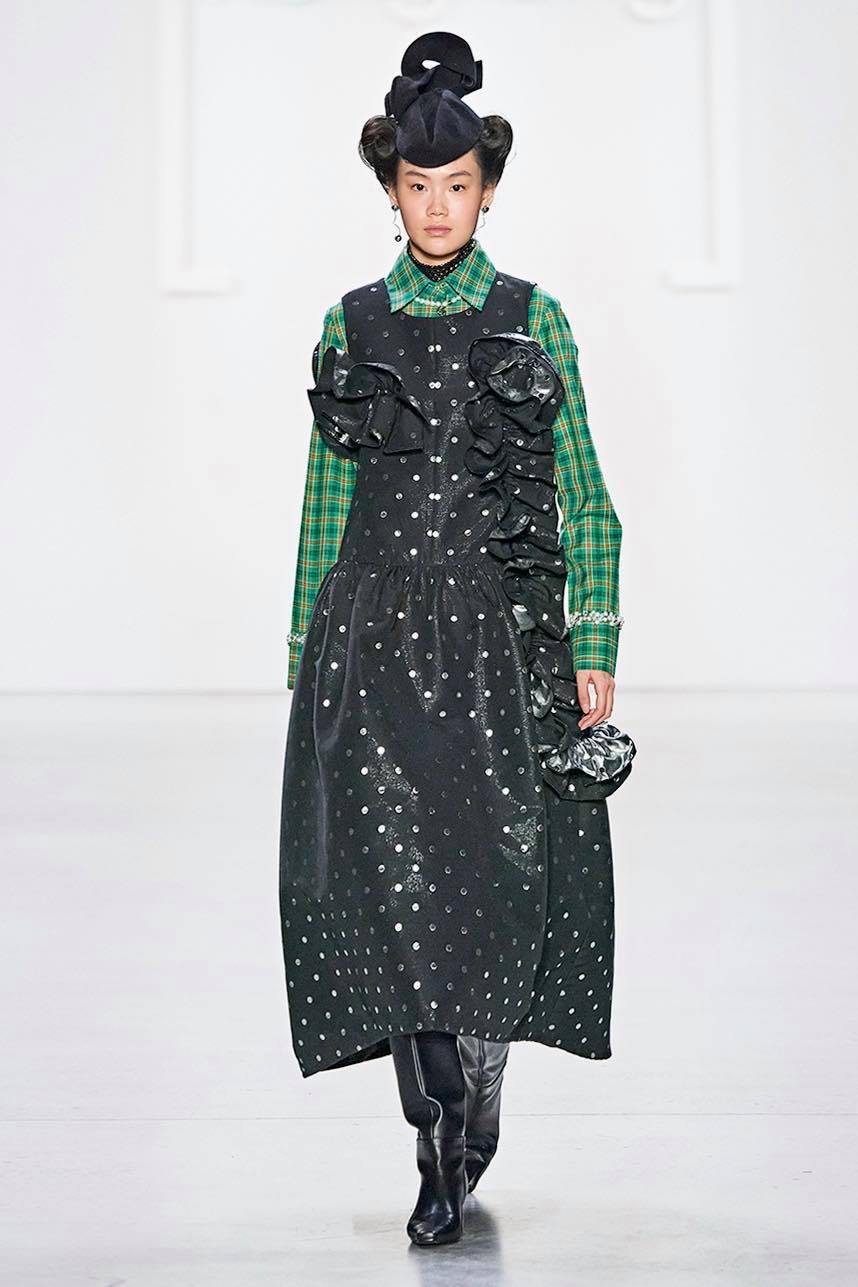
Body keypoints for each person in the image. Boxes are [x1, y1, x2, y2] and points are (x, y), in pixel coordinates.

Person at [278, 31, 637, 1247]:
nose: (438, 206)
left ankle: (476, 1093)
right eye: (418, 185)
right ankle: (434, 1136)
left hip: (498, 648)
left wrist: (594, 638)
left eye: (459, 185)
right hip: (375, 645)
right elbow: (325, 503)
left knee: (488, 887)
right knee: (394, 897)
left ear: (489, 191)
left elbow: (583, 493)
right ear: (391, 192)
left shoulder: (534, 322)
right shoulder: (351, 326)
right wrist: (303, 657)